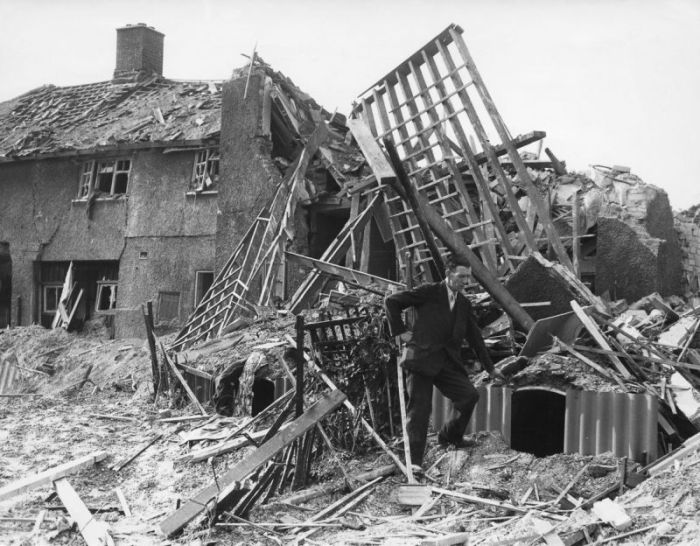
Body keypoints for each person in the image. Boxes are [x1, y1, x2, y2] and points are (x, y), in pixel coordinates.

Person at [384, 257, 505, 467]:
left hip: (446, 363)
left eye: (468, 277)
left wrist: (491, 368)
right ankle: (414, 463)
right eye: (461, 277)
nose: (465, 281)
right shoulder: (429, 292)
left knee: (468, 396)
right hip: (420, 359)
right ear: (448, 274)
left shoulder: (464, 304)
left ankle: (450, 437)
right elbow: (392, 301)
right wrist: (400, 333)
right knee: (419, 412)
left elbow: (475, 338)